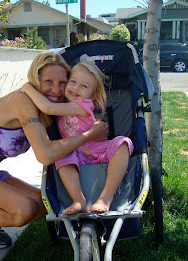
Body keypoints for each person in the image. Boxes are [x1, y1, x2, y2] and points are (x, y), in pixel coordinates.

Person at [0, 52, 108, 261]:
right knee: (24, 209)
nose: (56, 90)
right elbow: (45, 154)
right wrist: (87, 136)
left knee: (43, 206)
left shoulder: (47, 107)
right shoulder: (21, 100)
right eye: (48, 82)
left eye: (62, 83)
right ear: (35, 80)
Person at [21, 61, 134, 215]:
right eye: (72, 82)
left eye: (84, 86)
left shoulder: (82, 105)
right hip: (76, 154)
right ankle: (79, 200)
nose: (75, 88)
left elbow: (47, 107)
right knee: (62, 153)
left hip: (97, 150)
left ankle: (106, 197)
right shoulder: (63, 104)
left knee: (123, 143)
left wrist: (27, 87)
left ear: (93, 95)